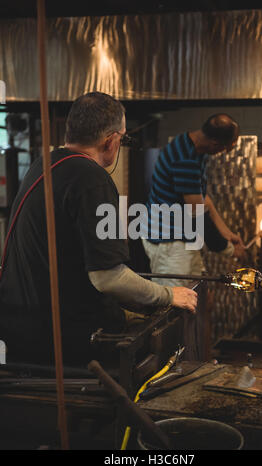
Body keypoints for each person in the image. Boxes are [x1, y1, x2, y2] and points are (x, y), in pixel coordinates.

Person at [0, 92, 197, 366]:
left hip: (21, 335)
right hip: (67, 346)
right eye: (123, 138)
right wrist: (167, 294)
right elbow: (109, 278)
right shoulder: (94, 181)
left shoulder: (42, 166)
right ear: (111, 140)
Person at [142, 113, 246, 287]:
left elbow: (202, 199)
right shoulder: (185, 160)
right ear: (215, 144)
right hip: (168, 241)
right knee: (170, 303)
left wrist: (226, 233)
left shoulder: (193, 145)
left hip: (182, 237)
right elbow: (199, 215)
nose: (222, 153)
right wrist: (230, 250)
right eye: (224, 149)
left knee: (193, 291)